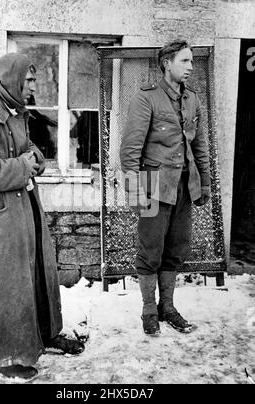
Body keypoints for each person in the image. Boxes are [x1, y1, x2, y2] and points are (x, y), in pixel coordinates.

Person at [0, 53, 84, 380]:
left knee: (36, 273)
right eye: (27, 81)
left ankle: (42, 335)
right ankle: (1, 355)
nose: (32, 86)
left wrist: (36, 158)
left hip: (22, 209)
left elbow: (25, 150)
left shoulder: (14, 109)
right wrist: (22, 167)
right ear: (11, 78)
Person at [120, 40, 210, 336]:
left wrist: (204, 184)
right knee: (150, 251)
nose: (191, 67)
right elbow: (130, 150)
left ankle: (167, 307)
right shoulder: (147, 98)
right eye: (185, 61)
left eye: (192, 62)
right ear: (167, 63)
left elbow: (200, 147)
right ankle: (148, 310)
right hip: (151, 186)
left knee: (176, 248)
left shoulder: (193, 100)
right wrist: (134, 192)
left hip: (184, 186)